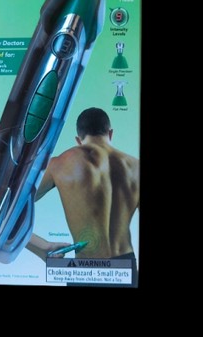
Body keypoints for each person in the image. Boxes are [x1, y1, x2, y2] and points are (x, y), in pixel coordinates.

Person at [27, 108, 139, 276]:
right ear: (110, 133)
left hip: (83, 268)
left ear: (78, 139)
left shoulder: (59, 164)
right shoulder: (136, 167)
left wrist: (42, 246)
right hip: (125, 267)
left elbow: (4, 213)